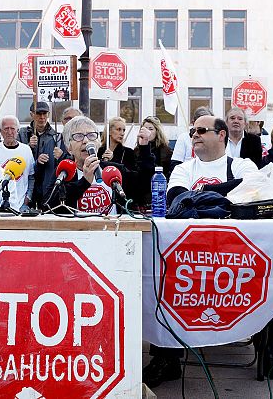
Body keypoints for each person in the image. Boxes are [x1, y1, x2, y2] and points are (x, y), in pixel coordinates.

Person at [144, 115, 258, 388]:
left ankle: (268, 346)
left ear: (221, 135)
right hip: (188, 253)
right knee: (162, 281)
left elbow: (254, 190)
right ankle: (166, 358)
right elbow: (176, 199)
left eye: (202, 130)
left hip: (233, 256)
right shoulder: (184, 168)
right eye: (192, 131)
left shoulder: (242, 164)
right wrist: (225, 195)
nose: (194, 135)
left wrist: (202, 192)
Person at [47, 116, 155, 215]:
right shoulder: (64, 172)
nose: (86, 141)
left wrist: (144, 148)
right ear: (69, 147)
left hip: (113, 228)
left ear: (98, 143)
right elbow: (50, 206)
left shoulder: (113, 170)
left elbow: (144, 185)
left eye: (91, 135)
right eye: (78, 136)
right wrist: (84, 182)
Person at [16, 102, 58, 209]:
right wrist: (28, 146)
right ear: (32, 115)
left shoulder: (55, 136)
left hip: (46, 181)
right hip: (26, 180)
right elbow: (14, 156)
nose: (42, 117)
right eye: (38, 113)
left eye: (45, 113)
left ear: (49, 115)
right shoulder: (22, 133)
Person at [0, 115, 35, 210]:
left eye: (12, 128)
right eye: (6, 129)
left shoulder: (26, 150)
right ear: (0, 131)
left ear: (18, 130)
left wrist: (27, 198)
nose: (9, 132)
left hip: (21, 204)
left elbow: (31, 176)